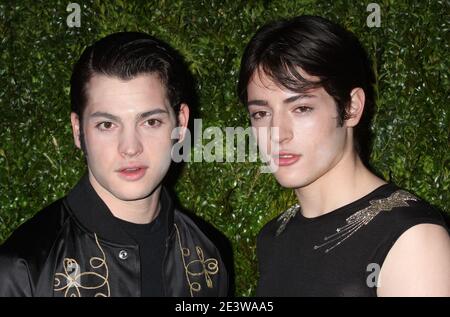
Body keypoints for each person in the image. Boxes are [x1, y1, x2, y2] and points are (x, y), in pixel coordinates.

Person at [0, 32, 228, 297]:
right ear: (78, 131)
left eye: (150, 122)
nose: (130, 147)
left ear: (181, 124)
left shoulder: (208, 253)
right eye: (107, 125)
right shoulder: (22, 270)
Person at [237, 15, 450, 296]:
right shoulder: (274, 236)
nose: (277, 133)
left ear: (351, 108)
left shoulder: (411, 239)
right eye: (262, 113)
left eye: (301, 108)